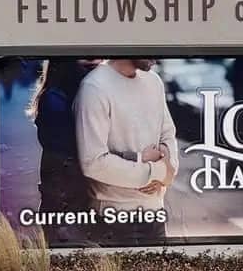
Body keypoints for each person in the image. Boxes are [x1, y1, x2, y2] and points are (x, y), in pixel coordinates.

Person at [74, 58, 179, 245]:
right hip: (113, 220)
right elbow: (93, 163)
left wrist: (169, 169)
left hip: (155, 215)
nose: (156, 55)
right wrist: (157, 172)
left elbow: (168, 134)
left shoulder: (153, 81)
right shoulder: (94, 87)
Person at [28, 58, 101, 244]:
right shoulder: (56, 99)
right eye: (87, 61)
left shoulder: (61, 94)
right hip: (64, 199)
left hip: (66, 196)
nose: (97, 62)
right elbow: (66, 146)